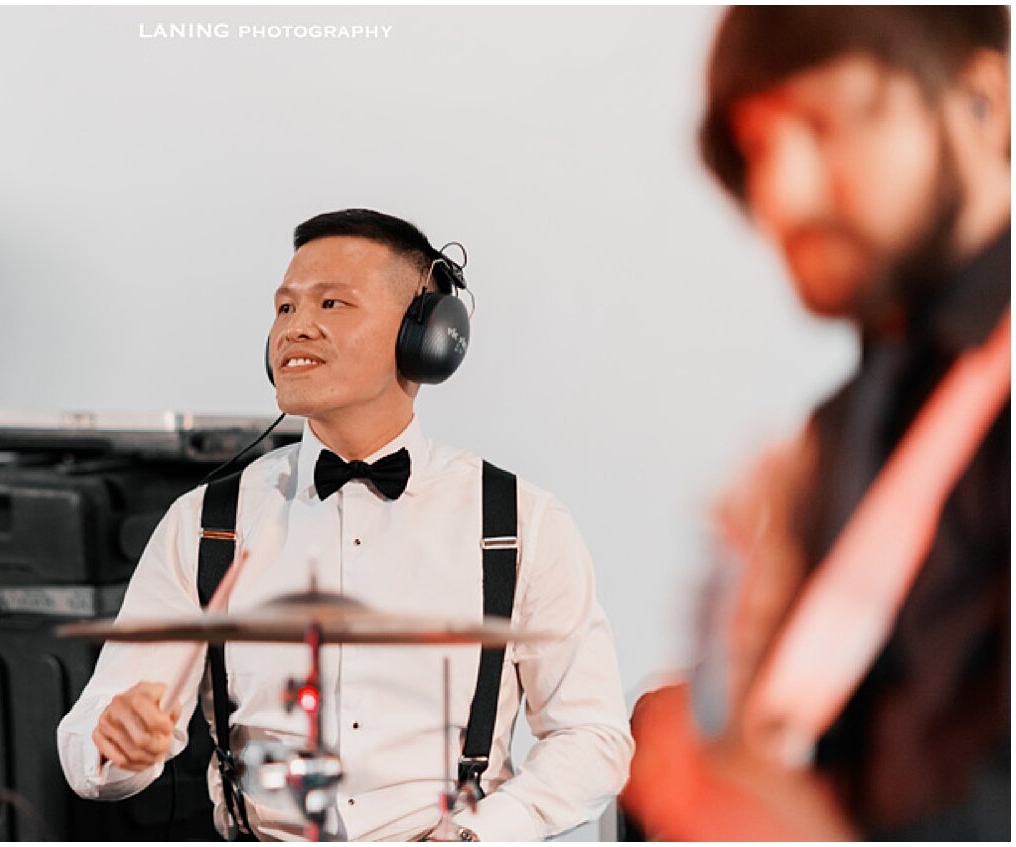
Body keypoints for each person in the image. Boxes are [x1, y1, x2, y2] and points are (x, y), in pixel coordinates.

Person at [57, 209, 633, 840]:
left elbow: (593, 737)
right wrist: (115, 741)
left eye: (331, 303)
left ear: (428, 335)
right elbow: (91, 740)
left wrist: (479, 835)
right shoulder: (203, 524)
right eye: (283, 309)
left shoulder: (523, 524)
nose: (297, 328)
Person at [624, 7, 1009, 840]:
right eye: (758, 149)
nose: (779, 194)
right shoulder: (841, 424)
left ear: (987, 100)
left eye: (824, 122)